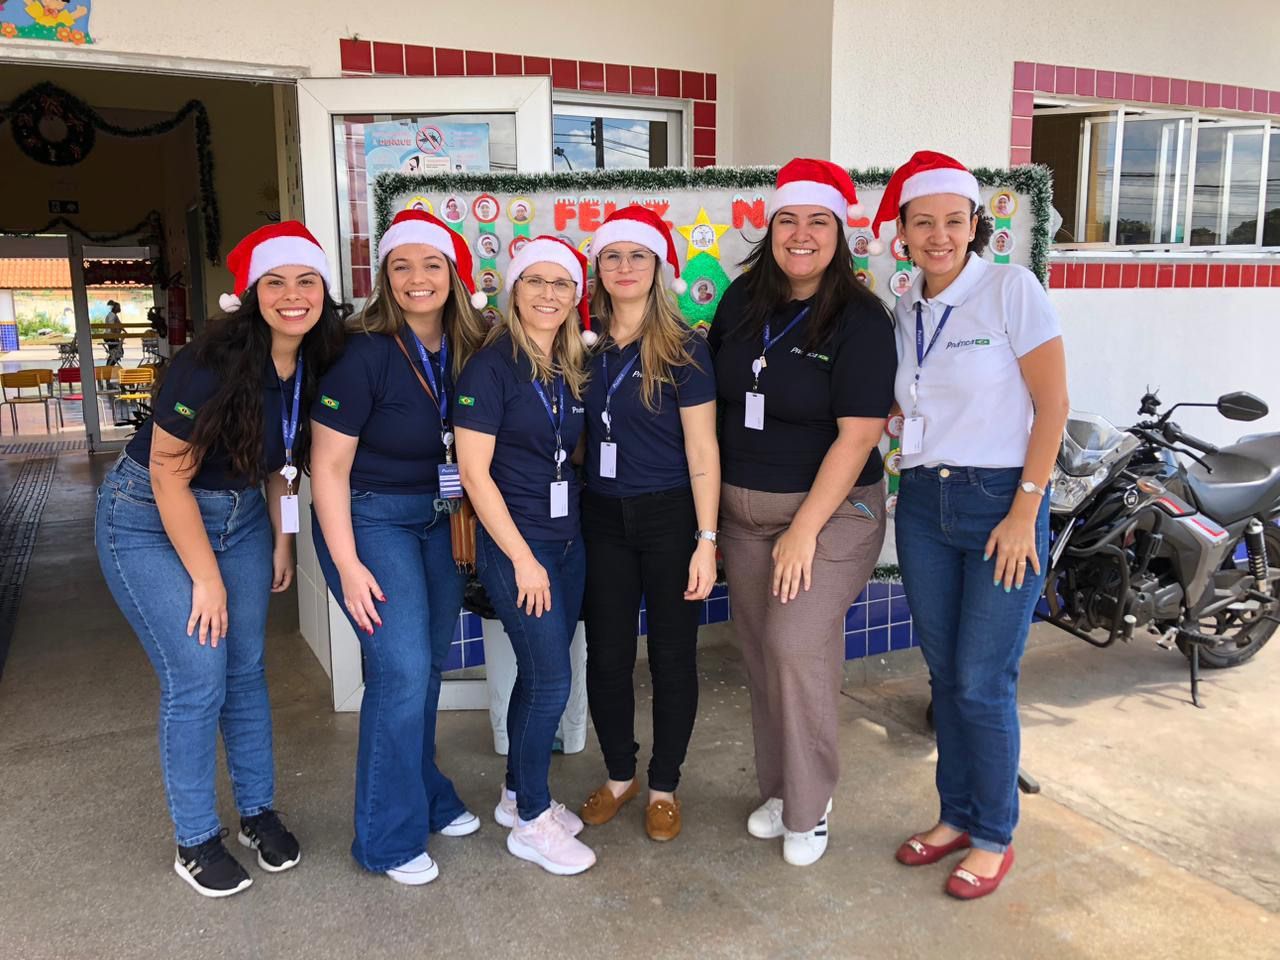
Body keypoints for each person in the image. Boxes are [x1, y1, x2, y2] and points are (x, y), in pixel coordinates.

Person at [95, 222, 346, 897]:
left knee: (246, 667)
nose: (293, 295)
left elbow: (284, 465)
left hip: (240, 520)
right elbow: (168, 476)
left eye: (306, 281)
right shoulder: (208, 363)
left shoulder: (316, 361)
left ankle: (257, 813)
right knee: (198, 673)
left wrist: (283, 538)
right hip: (149, 517)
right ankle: (195, 837)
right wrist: (206, 579)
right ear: (254, 292)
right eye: (276, 282)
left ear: (323, 290)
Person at [870, 151, 1068, 900]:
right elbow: (917, 400)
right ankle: (954, 815)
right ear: (905, 234)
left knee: (984, 681)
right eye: (924, 222)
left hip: (999, 504)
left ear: (976, 225)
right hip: (924, 503)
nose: (940, 234)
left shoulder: (1011, 289)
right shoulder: (908, 306)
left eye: (954, 220)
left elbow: (1052, 406)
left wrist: (1026, 509)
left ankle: (993, 834)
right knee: (947, 675)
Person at [708, 158, 897, 867]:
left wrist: (804, 532)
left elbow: (859, 433)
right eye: (789, 219)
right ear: (771, 228)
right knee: (761, 655)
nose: (801, 233)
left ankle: (811, 806)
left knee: (795, 644)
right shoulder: (741, 301)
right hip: (742, 515)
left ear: (839, 234)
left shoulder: (859, 317)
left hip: (831, 514)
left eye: (818, 220)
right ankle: (783, 789)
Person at [308, 210, 489, 886]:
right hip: (370, 520)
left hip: (441, 519)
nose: (418, 278)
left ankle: (429, 793)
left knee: (426, 668)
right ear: (385, 276)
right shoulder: (365, 353)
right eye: (402, 265)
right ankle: (385, 839)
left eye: (432, 265)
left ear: (453, 276)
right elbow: (326, 468)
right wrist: (348, 562)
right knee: (402, 670)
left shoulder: (472, 346)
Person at [574, 206, 719, 842]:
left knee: (671, 658)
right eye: (612, 257)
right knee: (605, 657)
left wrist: (706, 540)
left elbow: (703, 451)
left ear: (657, 268)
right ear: (598, 271)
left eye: (637, 256)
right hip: (600, 518)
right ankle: (618, 775)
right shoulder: (583, 347)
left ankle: (664, 784)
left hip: (669, 517)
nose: (624, 267)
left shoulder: (686, 348)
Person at [454, 236, 595, 876]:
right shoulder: (491, 367)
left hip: (566, 543)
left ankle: (515, 796)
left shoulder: (566, 362)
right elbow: (474, 474)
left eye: (560, 283)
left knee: (541, 674)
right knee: (552, 680)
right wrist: (523, 559)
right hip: (521, 548)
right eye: (534, 282)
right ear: (514, 292)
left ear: (575, 294)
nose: (547, 294)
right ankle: (533, 821)